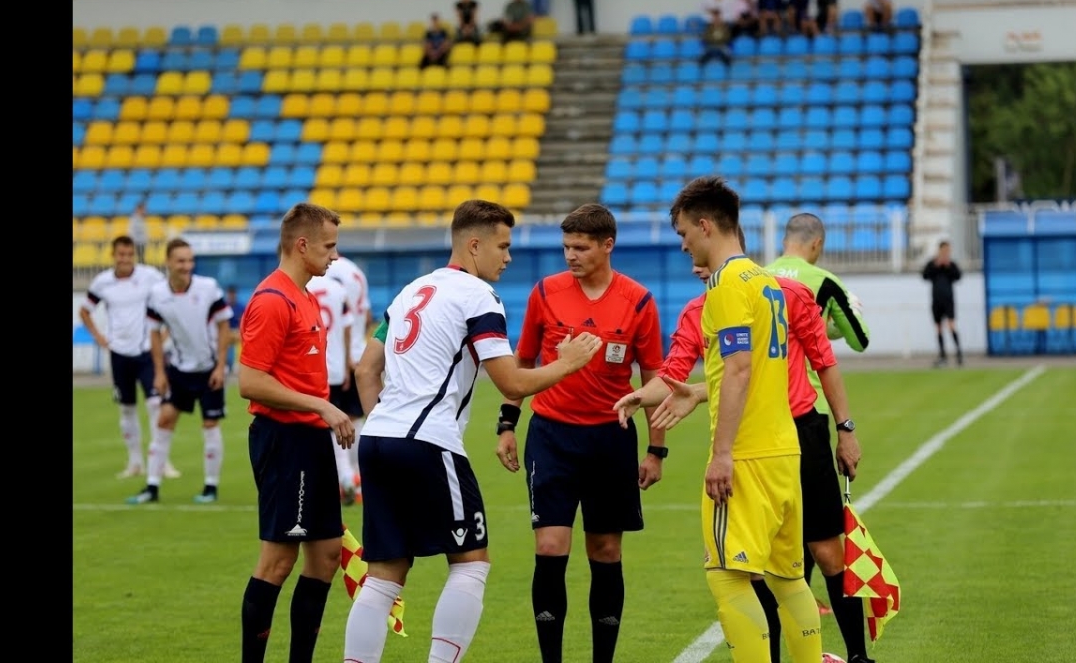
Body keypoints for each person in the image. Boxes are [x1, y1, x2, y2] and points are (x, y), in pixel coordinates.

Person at [340, 199, 602, 663]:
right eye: (502, 246)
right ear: (474, 245)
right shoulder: (479, 297)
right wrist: (567, 364)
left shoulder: (410, 291)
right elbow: (511, 382)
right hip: (428, 441)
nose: (508, 257)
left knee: (382, 575)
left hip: (377, 439)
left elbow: (365, 370)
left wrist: (387, 423)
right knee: (470, 565)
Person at [612, 176, 825, 662]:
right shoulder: (765, 281)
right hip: (782, 450)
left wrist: (723, 453)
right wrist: (696, 393)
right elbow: (753, 373)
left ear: (705, 226)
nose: (684, 244)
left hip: (746, 455)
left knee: (727, 577)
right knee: (788, 578)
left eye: (685, 234)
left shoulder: (727, 284)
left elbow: (741, 366)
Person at [494, 203, 666, 663]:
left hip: (611, 438)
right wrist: (507, 424)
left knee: (606, 549)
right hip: (551, 437)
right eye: (567, 247)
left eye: (581, 247)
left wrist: (657, 450)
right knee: (550, 546)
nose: (571, 255)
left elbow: (655, 378)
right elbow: (523, 363)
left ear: (607, 245)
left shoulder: (639, 301)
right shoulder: (546, 292)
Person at [237, 202, 356, 663]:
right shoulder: (272, 300)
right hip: (284, 441)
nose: (335, 256)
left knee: (326, 556)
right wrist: (322, 405)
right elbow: (251, 381)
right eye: (329, 246)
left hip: (310, 441)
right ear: (301, 245)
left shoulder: (305, 295)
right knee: (278, 560)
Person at [763, 212, 875, 663]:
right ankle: (855, 655)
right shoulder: (822, 281)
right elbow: (861, 337)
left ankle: (796, 646)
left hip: (765, 419)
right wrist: (823, 327)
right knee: (825, 541)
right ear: (818, 243)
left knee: (777, 553)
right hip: (813, 410)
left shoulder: (757, 276)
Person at [127, 238, 234, 505]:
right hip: (179, 370)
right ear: (168, 263)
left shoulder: (208, 288)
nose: (187, 266)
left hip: (209, 369)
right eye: (181, 261)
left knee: (210, 425)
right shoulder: (157, 294)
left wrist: (221, 366)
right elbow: (153, 334)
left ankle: (211, 486)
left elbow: (224, 328)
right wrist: (160, 373)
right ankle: (152, 486)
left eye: (190, 260)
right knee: (164, 421)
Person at [79, 235, 179, 480]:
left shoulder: (149, 277)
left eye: (129, 254)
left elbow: (171, 298)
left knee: (156, 405)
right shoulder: (102, 282)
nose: (125, 259)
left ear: (134, 255)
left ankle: (161, 462)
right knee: (126, 409)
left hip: (147, 351)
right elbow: (84, 311)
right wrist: (99, 337)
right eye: (121, 254)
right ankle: (135, 462)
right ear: (113, 255)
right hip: (119, 353)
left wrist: (166, 332)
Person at [306, 272, 358, 504]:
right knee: (337, 423)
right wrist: (347, 363)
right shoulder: (338, 289)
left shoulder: (301, 287)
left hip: (311, 368)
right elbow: (348, 327)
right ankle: (347, 478)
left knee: (316, 429)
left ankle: (343, 478)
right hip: (336, 368)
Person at [324, 252, 373, 495]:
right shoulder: (356, 271)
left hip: (327, 357)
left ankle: (344, 478)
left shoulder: (318, 274)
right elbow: (365, 315)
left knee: (331, 422)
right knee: (356, 418)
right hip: (356, 354)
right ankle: (358, 476)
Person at [922, 240, 963, 367]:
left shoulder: (951, 264)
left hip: (948, 300)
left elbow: (958, 276)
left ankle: (959, 353)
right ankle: (942, 355)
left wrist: (948, 266)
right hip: (936, 300)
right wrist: (936, 265)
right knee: (938, 327)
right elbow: (925, 275)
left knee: (951, 325)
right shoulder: (933, 263)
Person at [224, 285, 246, 375]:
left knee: (242, 340)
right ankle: (224, 365)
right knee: (221, 341)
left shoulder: (241, 307)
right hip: (227, 332)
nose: (231, 296)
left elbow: (243, 322)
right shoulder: (224, 306)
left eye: (233, 294)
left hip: (237, 332)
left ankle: (237, 364)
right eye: (230, 294)